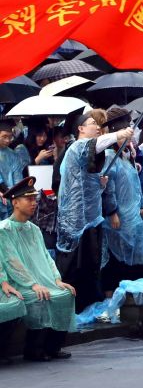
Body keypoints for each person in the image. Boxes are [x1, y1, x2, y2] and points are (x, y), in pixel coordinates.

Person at [57, 112, 130, 311]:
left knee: (92, 265)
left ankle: (88, 304)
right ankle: (68, 307)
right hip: (76, 221)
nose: (97, 127)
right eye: (92, 124)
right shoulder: (77, 146)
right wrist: (119, 134)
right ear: (80, 128)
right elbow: (95, 144)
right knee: (74, 266)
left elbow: (84, 182)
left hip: (91, 218)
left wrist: (100, 185)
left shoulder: (89, 151)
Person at [0, 177, 75, 362]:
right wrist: (33, 284)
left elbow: (46, 258)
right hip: (18, 283)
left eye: (35, 199)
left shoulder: (33, 228)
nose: (34, 203)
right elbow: (12, 262)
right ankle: (33, 349)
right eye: (29, 199)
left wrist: (57, 279)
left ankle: (53, 347)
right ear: (15, 202)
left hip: (39, 281)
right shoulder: (4, 229)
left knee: (66, 293)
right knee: (40, 297)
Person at [100, 108, 143, 295]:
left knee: (133, 263)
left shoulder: (127, 156)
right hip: (117, 218)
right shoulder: (109, 157)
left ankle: (130, 300)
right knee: (116, 262)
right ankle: (112, 300)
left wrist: (141, 206)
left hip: (132, 217)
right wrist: (112, 212)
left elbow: (135, 184)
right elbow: (108, 186)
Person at [0, 119, 24, 221]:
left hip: (10, 197)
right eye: (4, 136)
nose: (7, 140)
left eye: (10, 137)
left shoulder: (13, 155)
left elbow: (18, 179)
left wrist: (16, 196)